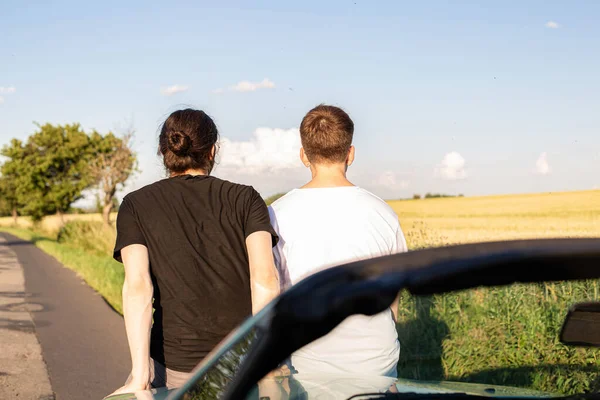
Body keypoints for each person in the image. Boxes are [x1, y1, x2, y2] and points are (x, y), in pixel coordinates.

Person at [107, 109, 280, 397]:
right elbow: (265, 278)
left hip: (173, 365)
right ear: (212, 150)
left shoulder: (135, 205)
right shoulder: (247, 198)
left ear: (164, 151)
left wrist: (140, 374)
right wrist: (268, 367)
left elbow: (138, 287)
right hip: (239, 364)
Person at [269, 104, 407, 378]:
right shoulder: (382, 212)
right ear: (350, 153)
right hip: (375, 361)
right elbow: (393, 295)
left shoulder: (275, 214)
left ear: (303, 156)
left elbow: (271, 290)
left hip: (303, 362)